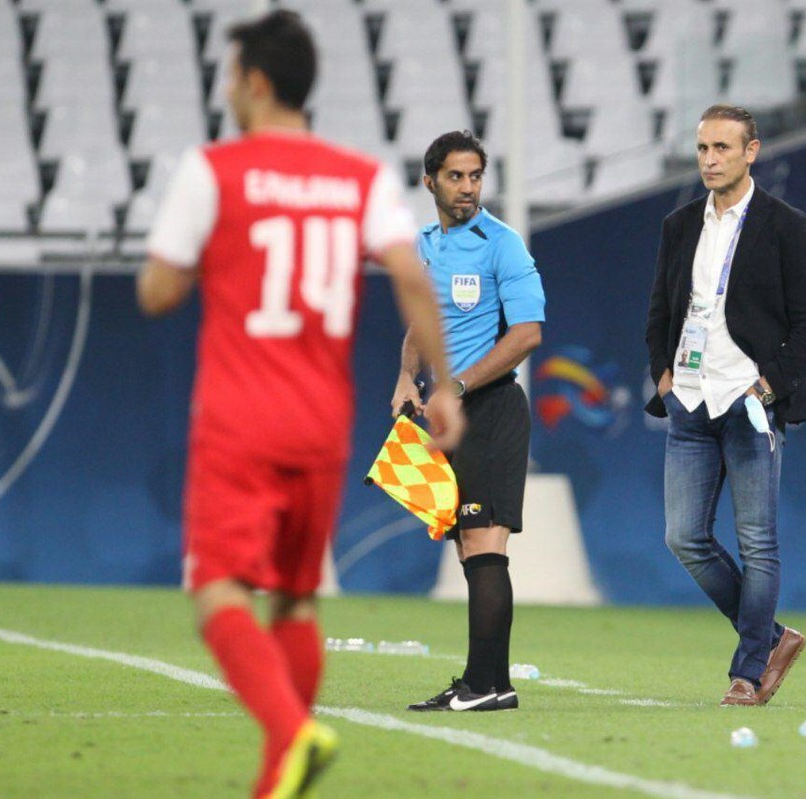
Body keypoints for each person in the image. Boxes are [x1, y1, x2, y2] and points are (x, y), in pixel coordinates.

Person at [136, 11, 464, 798]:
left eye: (230, 77)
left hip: (238, 416)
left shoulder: (215, 170)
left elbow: (157, 290)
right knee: (294, 598)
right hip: (320, 421)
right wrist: (445, 384)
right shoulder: (360, 176)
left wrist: (204, 260)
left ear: (254, 82)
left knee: (216, 587)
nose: (228, 90)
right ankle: (278, 774)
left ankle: (292, 733)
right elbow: (409, 276)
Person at [644, 105, 806, 707]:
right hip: (690, 403)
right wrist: (664, 376)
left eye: (722, 148)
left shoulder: (785, 225)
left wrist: (768, 387)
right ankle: (771, 639)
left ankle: (748, 673)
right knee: (683, 537)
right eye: (702, 148)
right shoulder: (678, 224)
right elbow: (660, 310)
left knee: (757, 543)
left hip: (750, 404)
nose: (710, 159)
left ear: (752, 152)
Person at [391, 130, 545, 713]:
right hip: (446, 413)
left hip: (491, 410)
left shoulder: (503, 244)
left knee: (484, 543)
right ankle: (486, 683)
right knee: (469, 550)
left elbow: (526, 334)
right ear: (429, 181)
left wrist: (454, 387)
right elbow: (422, 322)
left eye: (475, 176)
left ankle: (486, 687)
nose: (467, 187)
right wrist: (407, 377)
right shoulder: (425, 244)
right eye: (455, 176)